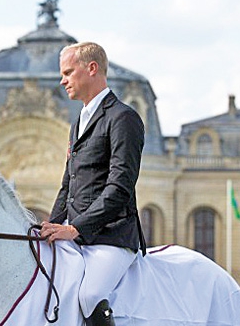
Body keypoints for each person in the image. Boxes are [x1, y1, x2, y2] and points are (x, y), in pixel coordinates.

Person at [40, 42, 146, 326]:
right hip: (78, 237)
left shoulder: (123, 117)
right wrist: (50, 225)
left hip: (112, 238)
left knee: (89, 294)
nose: (62, 80)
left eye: (68, 72)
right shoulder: (78, 123)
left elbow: (120, 187)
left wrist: (75, 228)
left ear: (91, 68)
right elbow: (68, 184)